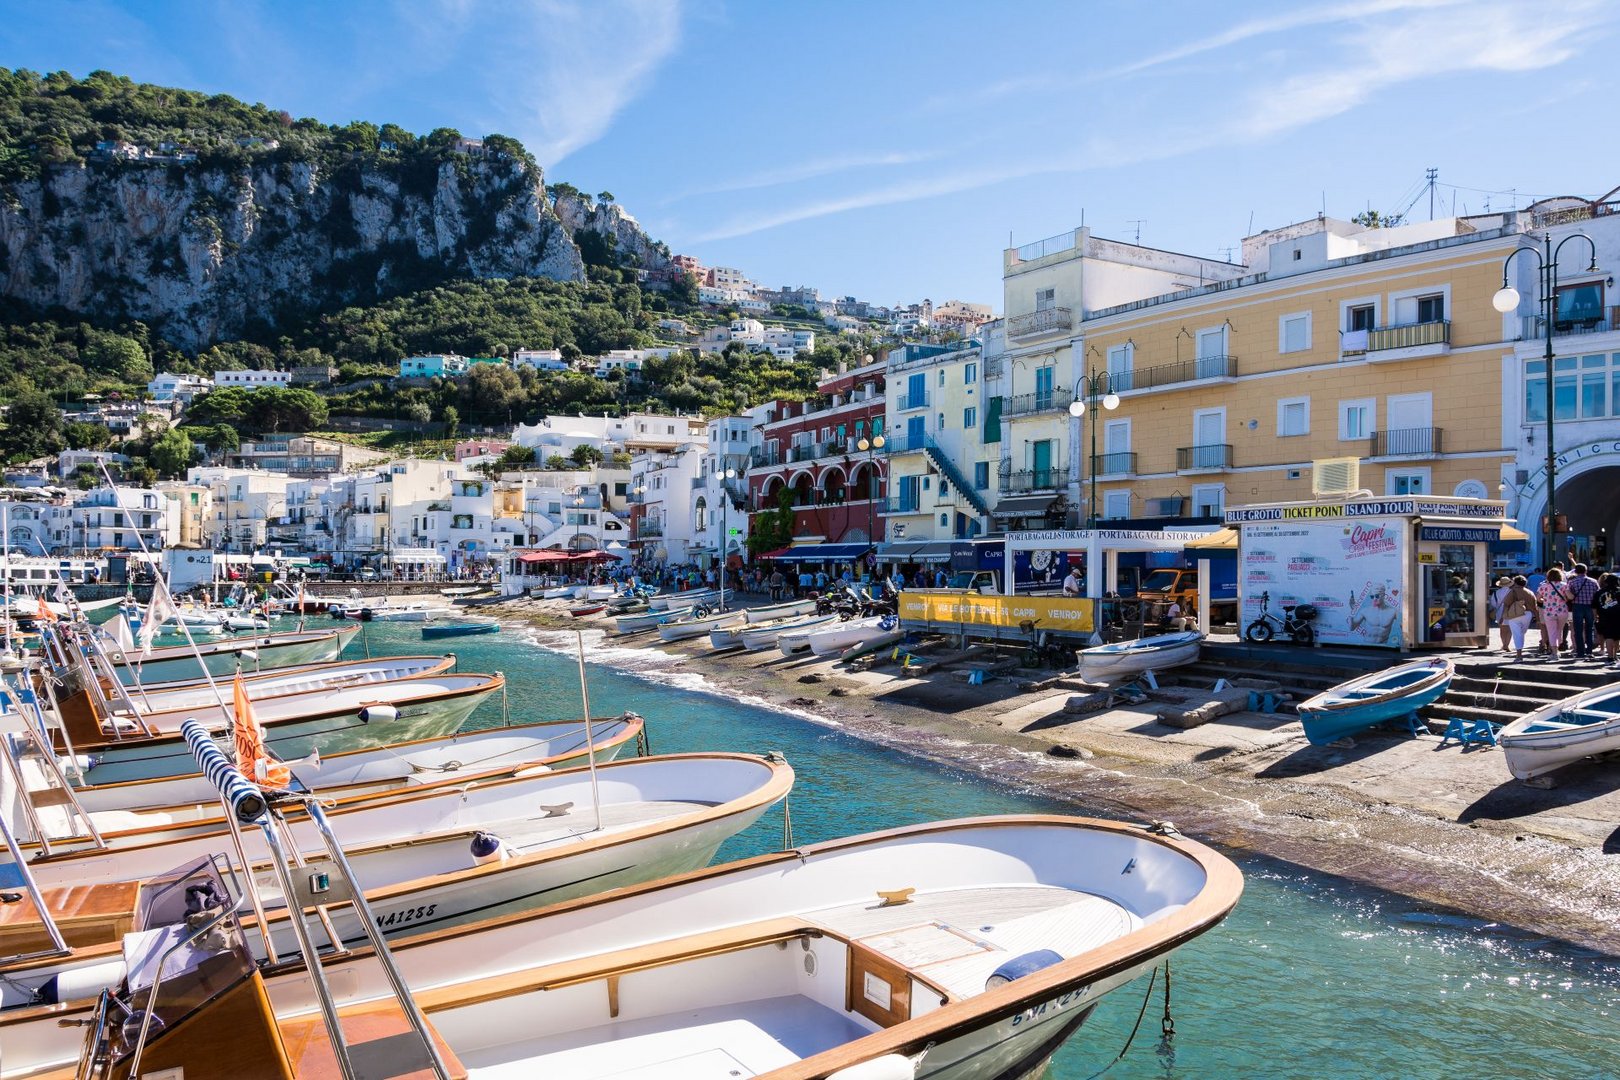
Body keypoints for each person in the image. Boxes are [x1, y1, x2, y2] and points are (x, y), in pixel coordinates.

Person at [1536, 567, 1572, 662]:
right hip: (1562, 611)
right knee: (1559, 630)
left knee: (1552, 632)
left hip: (1549, 611)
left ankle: (1554, 653)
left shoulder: (1543, 586)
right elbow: (1570, 597)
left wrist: (1546, 600)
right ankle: (1558, 648)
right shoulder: (1564, 585)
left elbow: (1538, 598)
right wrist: (1565, 599)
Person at [1500, 574, 1539, 661]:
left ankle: (1519, 655)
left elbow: (1506, 604)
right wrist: (1538, 619)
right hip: (1528, 614)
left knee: (1517, 634)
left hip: (1515, 614)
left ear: (1515, 582)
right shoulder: (1530, 592)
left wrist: (1503, 616)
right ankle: (1520, 651)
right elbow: (1535, 607)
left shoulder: (1512, 591)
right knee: (1521, 633)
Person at [1566, 562, 1600, 659]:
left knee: (1578, 630)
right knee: (1589, 629)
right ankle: (1589, 651)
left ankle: (1580, 652)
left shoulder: (1572, 582)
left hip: (1577, 606)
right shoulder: (1594, 581)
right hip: (1590, 607)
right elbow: (1597, 595)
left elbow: (1569, 596)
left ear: (1575, 571)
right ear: (1586, 570)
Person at [1595, 572, 1620, 665]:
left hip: (1604, 616)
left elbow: (1594, 606)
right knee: (1617, 637)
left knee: (1609, 636)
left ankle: (1610, 657)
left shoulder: (1599, 592)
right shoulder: (1619, 591)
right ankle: (1614, 656)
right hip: (1618, 616)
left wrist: (1595, 617)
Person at [1490, 575, 1513, 652]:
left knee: (1502, 630)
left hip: (1499, 612)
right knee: (1509, 630)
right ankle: (1507, 645)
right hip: (1510, 611)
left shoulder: (1496, 593)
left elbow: (1493, 604)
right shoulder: (1512, 592)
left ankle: (1504, 644)